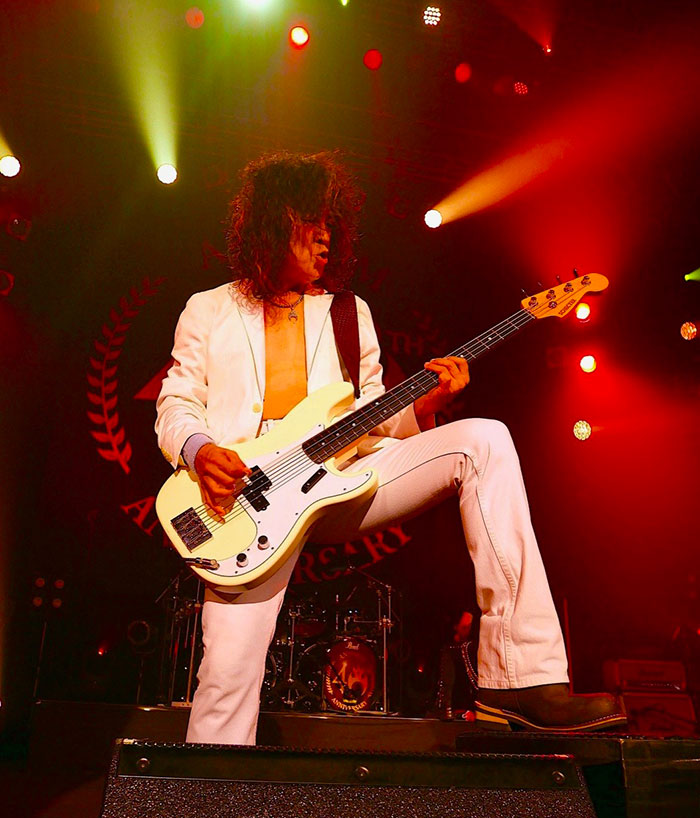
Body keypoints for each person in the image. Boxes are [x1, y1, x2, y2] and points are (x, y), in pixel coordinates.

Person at [156, 151, 625, 744]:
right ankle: (208, 799)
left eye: (330, 223)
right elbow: (175, 404)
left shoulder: (349, 313)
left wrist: (423, 407)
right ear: (274, 221)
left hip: (342, 483)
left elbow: (371, 419)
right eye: (311, 220)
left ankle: (519, 677)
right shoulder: (209, 308)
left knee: (484, 440)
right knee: (225, 678)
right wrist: (200, 451)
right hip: (247, 502)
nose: (326, 235)